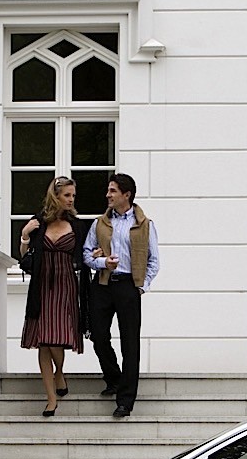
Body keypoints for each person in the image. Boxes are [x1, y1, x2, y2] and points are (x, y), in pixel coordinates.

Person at [82, 173, 159, 418]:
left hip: (128, 287)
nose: (108, 195)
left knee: (130, 343)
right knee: (98, 335)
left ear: (126, 195)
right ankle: (114, 377)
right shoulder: (99, 224)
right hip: (102, 285)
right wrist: (104, 262)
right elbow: (86, 256)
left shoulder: (145, 225)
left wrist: (141, 286)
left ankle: (125, 400)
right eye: (108, 190)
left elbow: (153, 261)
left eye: (113, 191)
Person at [18, 176, 91, 417]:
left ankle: (59, 370)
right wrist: (25, 236)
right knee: (43, 341)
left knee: (56, 339)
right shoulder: (39, 222)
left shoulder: (78, 226)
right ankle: (51, 399)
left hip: (66, 285)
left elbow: (85, 255)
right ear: (55, 197)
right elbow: (24, 258)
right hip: (42, 286)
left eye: (73, 195)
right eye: (67, 195)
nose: (71, 199)